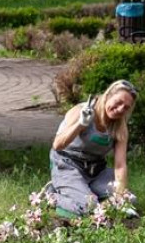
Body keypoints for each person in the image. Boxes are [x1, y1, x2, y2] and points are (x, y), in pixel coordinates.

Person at [48, 79, 138, 217]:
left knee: (129, 199)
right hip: (68, 166)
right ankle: (51, 197)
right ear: (108, 95)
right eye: (118, 102)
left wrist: (120, 195)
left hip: (95, 171)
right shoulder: (81, 111)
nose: (120, 109)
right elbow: (57, 144)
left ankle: (90, 198)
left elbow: (120, 165)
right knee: (87, 206)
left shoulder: (120, 127)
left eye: (126, 107)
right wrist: (81, 124)